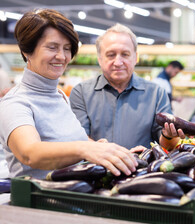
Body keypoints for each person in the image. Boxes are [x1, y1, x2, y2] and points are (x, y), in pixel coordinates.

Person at [0, 9, 137, 179]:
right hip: (36, 202)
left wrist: (105, 150)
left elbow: (69, 141)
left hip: (71, 197)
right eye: (52, 47)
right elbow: (29, 153)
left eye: (67, 48)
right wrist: (86, 149)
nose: (62, 56)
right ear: (27, 51)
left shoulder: (60, 96)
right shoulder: (15, 102)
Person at [69, 24, 185, 151]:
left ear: (135, 58)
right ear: (100, 59)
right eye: (111, 55)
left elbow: (166, 144)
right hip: (96, 168)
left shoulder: (157, 93)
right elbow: (78, 138)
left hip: (144, 169)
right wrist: (99, 149)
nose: (118, 62)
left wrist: (169, 136)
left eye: (125, 54)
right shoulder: (80, 93)